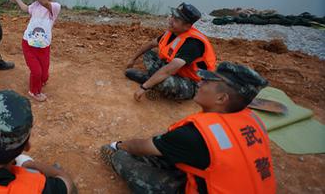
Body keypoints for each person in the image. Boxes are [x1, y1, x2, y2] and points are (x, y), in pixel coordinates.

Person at [101, 62, 276, 194]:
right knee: (168, 147)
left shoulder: (196, 135)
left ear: (222, 99)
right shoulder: (253, 120)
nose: (199, 83)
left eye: (207, 82)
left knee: (122, 157)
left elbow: (141, 146)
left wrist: (117, 145)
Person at [125, 2, 216, 101]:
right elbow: (151, 44)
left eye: (176, 20)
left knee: (165, 82)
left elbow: (169, 69)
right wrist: (132, 59)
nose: (171, 20)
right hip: (177, 70)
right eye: (172, 16)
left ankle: (149, 80)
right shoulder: (173, 31)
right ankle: (154, 79)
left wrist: (144, 87)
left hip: (193, 82)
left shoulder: (193, 43)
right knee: (148, 54)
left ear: (187, 26)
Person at [9, 0, 61, 102]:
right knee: (36, 72)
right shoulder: (35, 5)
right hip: (28, 44)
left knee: (44, 75)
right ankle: (33, 91)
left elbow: (44, 1)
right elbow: (26, 8)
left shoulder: (54, 7)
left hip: (44, 47)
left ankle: (40, 80)